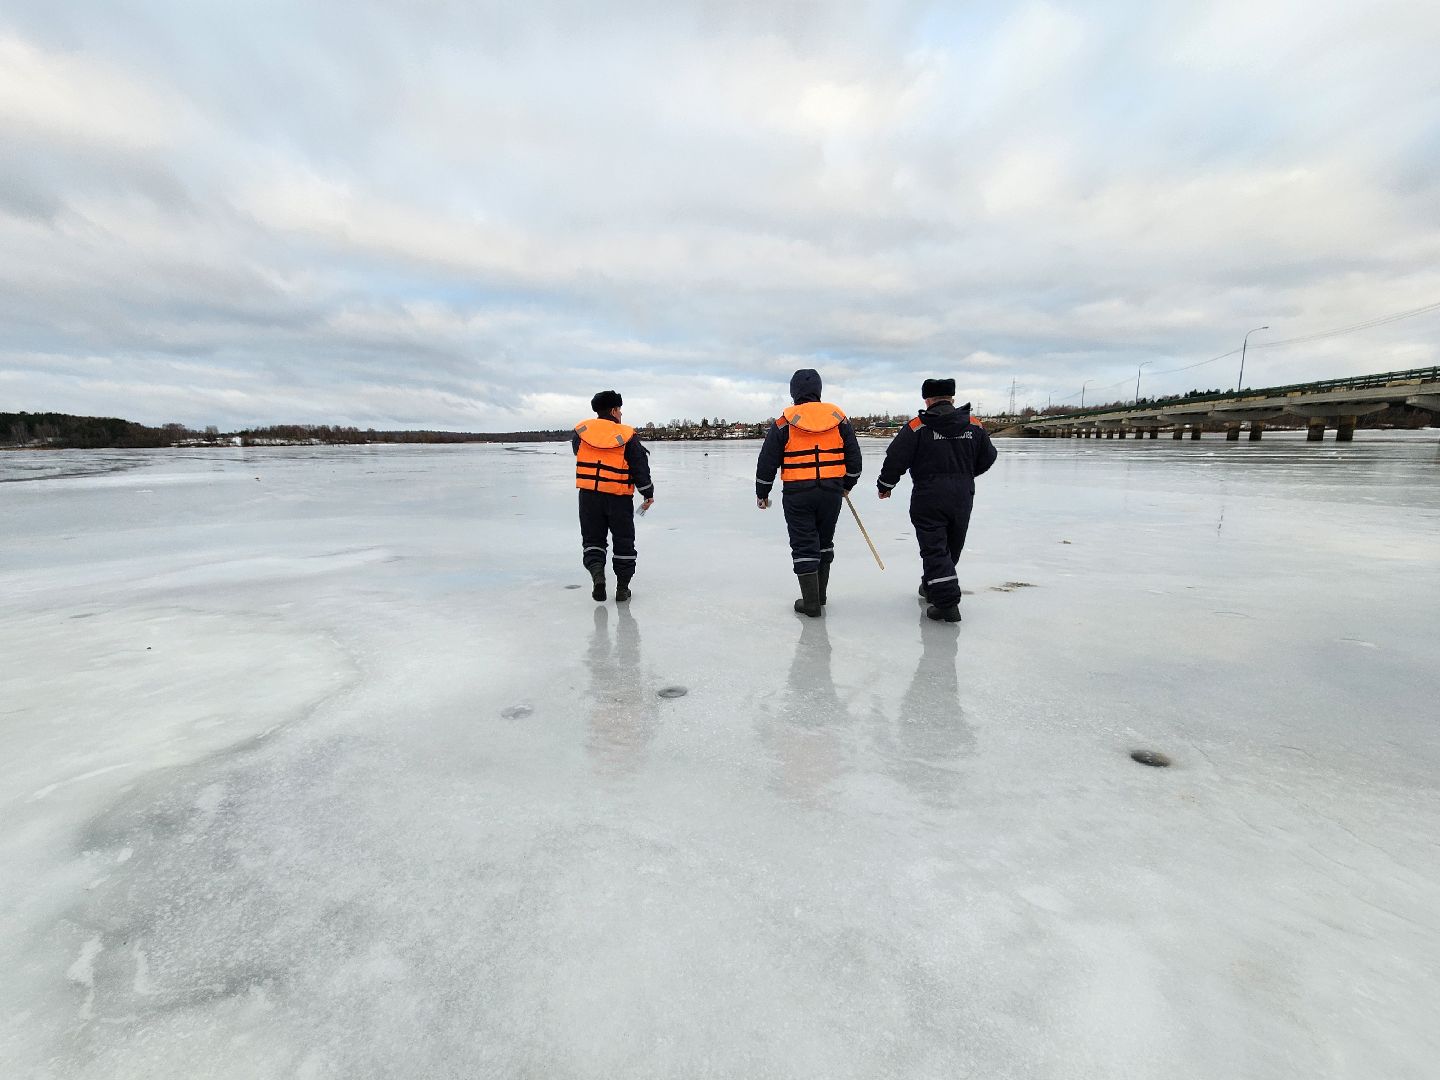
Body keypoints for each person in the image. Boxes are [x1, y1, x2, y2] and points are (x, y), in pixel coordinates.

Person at [876, 378, 997, 622]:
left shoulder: (917, 426)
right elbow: (988, 457)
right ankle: (932, 585)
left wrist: (885, 486)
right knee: (951, 545)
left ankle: (946, 603)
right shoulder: (973, 424)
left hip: (928, 495)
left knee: (934, 548)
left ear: (927, 400)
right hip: (962, 494)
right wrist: (964, 474)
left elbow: (896, 459)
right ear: (951, 398)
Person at [755, 369, 863, 617]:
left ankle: (811, 602)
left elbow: (767, 461)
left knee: (804, 545)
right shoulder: (839, 418)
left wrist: (762, 492)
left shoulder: (785, 421)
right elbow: (854, 458)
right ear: (819, 390)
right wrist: (848, 484)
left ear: (794, 393)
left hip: (797, 493)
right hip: (831, 491)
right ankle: (820, 596)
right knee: (824, 542)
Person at [573, 390, 654, 602]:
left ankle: (598, 576)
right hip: (619, 498)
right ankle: (622, 588)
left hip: (589, 497)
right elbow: (639, 466)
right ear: (614, 410)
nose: (621, 415)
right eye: (620, 410)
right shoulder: (627, 435)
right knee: (624, 541)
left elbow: (580, 453)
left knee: (593, 540)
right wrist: (647, 493)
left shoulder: (581, 432)